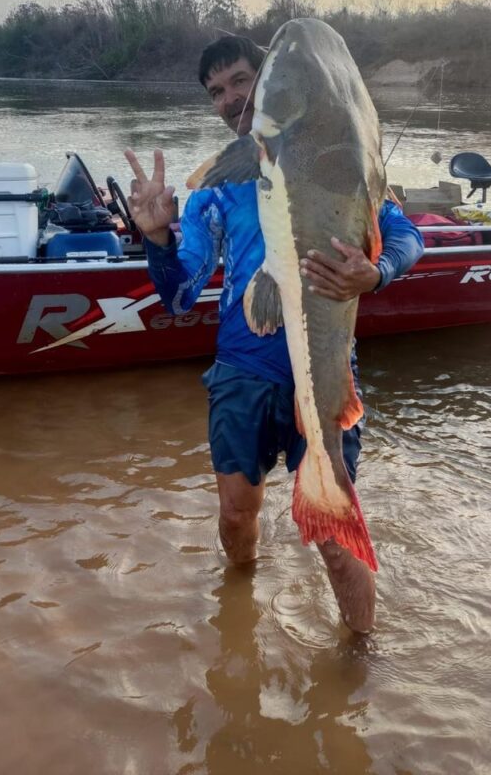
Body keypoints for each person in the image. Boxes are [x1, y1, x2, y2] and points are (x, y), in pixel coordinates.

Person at [125, 34, 423, 633]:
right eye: (216, 92)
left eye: (240, 80)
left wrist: (376, 272)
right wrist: (156, 239)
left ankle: (361, 652)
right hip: (243, 370)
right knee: (236, 516)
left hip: (326, 369)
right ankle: (239, 613)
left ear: (269, 82)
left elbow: (407, 236)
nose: (230, 99)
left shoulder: (341, 158)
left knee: (335, 535)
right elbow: (180, 295)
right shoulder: (216, 187)